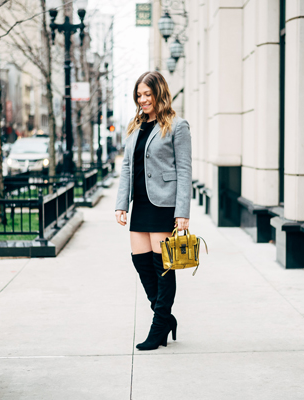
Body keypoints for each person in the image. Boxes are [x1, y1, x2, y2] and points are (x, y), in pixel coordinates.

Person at [115, 71, 192, 351]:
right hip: (141, 204)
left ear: (160, 93)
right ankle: (166, 317)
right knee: (141, 264)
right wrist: (121, 203)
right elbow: (127, 167)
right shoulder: (135, 126)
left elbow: (184, 170)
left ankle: (158, 326)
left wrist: (182, 212)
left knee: (162, 268)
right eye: (139, 95)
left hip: (164, 204)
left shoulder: (177, 126)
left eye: (147, 94)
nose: (143, 99)